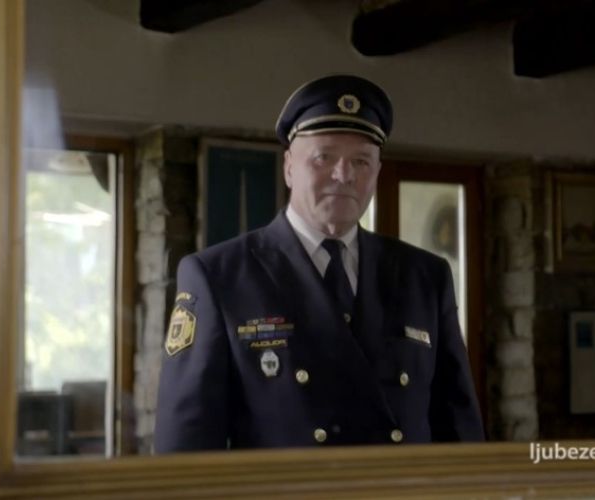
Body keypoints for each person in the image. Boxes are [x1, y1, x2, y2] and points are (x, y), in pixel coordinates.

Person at [154, 75, 484, 451]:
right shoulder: (219, 275)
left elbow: (461, 432)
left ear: (377, 172)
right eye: (324, 157)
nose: (344, 175)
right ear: (289, 167)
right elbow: (185, 445)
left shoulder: (424, 276)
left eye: (361, 161)